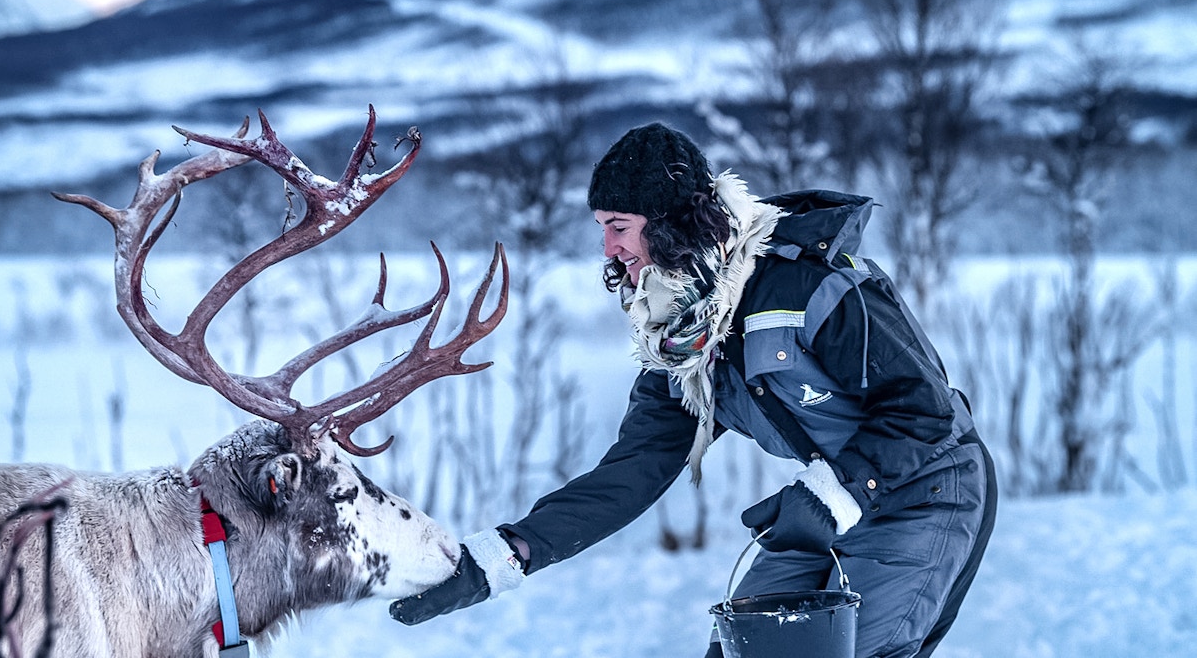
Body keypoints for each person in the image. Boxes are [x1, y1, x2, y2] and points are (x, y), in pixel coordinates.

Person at [390, 123, 997, 657]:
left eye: (620, 227)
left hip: (925, 493)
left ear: (674, 223)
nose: (609, 249)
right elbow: (632, 472)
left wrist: (834, 493)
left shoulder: (813, 285)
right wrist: (508, 554)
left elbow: (925, 411)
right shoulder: (682, 343)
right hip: (825, 508)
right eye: (603, 229)